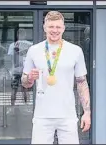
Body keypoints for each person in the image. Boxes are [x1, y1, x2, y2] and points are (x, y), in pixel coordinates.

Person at [21, 11, 91, 144]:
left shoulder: (75, 51)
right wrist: (29, 78)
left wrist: (87, 112)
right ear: (44, 27)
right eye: (51, 27)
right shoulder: (34, 50)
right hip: (42, 116)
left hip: (67, 115)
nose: (54, 30)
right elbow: (25, 83)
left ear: (63, 28)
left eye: (58, 27)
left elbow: (82, 83)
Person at [8, 29, 33, 105]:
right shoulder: (30, 44)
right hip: (22, 70)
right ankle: (25, 105)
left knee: (16, 89)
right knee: (24, 89)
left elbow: (9, 58)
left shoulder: (13, 45)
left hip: (18, 70)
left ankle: (13, 105)